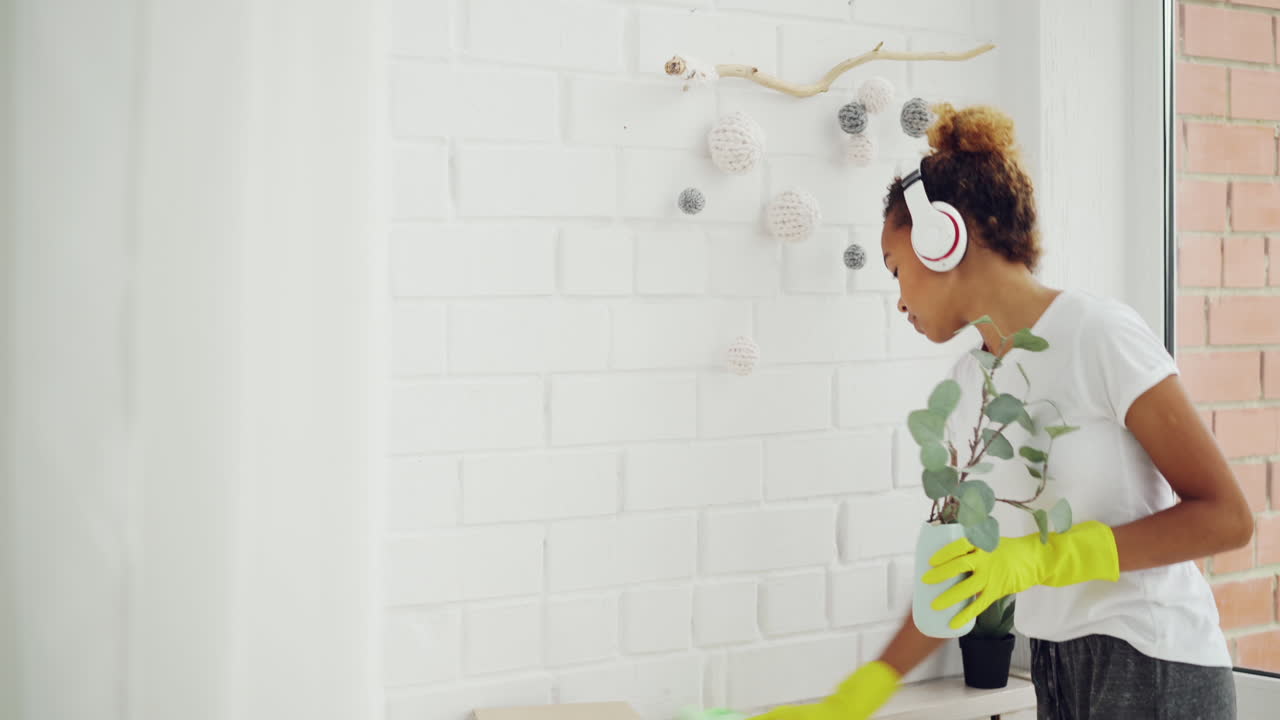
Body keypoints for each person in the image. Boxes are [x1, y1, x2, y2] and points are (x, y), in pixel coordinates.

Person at [750, 104, 1252, 720]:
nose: (899, 299)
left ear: (941, 238)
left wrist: (1044, 558)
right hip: (1054, 666)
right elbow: (957, 576)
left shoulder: (1098, 334)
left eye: (895, 268)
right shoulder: (968, 388)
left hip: (1153, 660)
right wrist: (855, 699)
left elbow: (1227, 519)